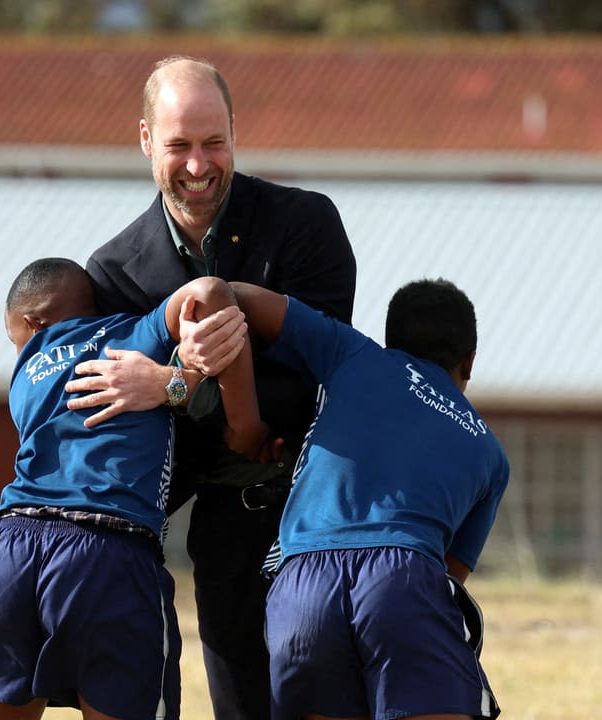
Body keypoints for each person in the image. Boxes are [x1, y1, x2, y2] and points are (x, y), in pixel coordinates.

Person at [63, 56, 357, 718]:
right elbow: (117, 422)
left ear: (235, 131)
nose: (199, 166)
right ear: (145, 140)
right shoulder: (109, 273)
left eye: (213, 142)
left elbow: (313, 374)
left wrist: (178, 379)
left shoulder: (308, 224)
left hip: (316, 514)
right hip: (217, 526)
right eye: (179, 146)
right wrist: (183, 386)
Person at [0, 258, 264, 720]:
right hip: (108, 548)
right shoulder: (135, 336)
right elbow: (208, 289)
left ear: (32, 323)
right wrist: (231, 415)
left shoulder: (26, 373)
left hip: (9, 549)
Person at [217, 277, 509, 720]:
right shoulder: (490, 450)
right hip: (404, 576)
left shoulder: (354, 353)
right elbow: (449, 575)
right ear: (469, 361)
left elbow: (230, 294)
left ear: (390, 338)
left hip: (301, 586)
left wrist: (245, 421)